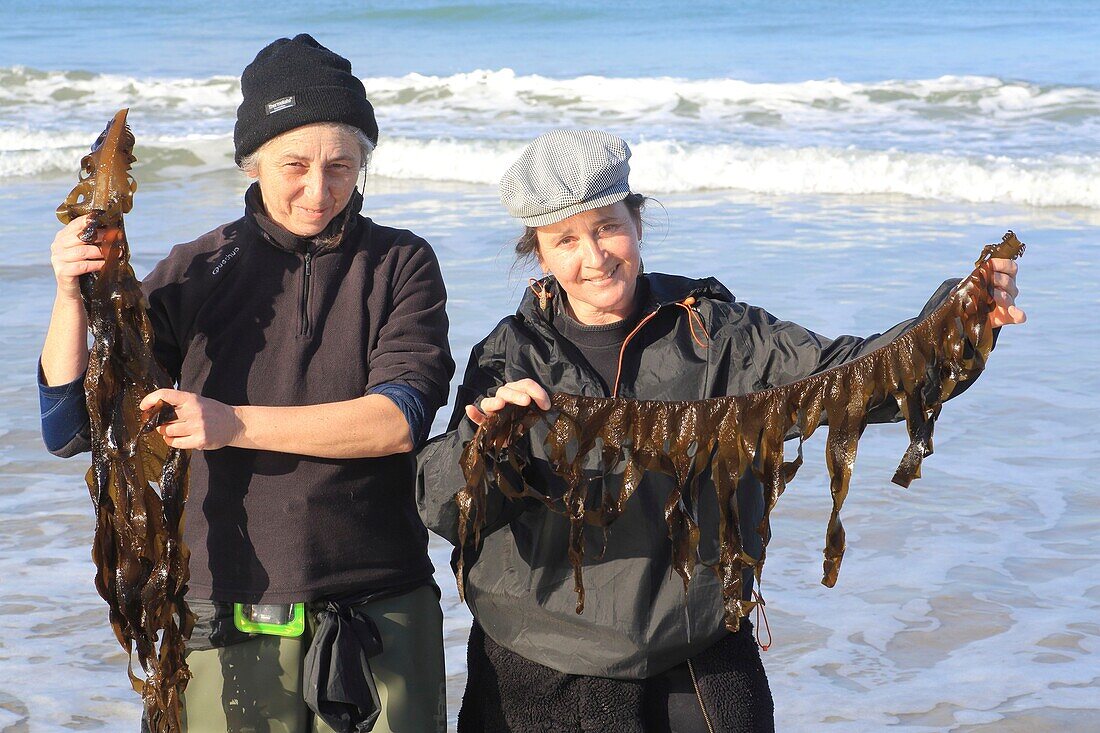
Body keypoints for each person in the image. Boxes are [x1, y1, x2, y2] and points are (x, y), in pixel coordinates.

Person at [417, 129, 1025, 732]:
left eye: (607, 227)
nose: (594, 257)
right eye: (565, 240)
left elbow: (853, 377)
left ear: (637, 221)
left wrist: (961, 315)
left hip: (697, 651)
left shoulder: (724, 337)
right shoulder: (510, 355)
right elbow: (445, 507)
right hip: (538, 663)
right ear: (539, 253)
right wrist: (482, 440)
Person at [39, 34, 453, 732]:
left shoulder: (400, 263)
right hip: (223, 608)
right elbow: (70, 428)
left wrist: (231, 423)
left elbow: (399, 418)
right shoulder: (198, 268)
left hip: (381, 602)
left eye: (341, 166)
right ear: (252, 161)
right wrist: (71, 296)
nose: (318, 190)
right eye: (294, 164)